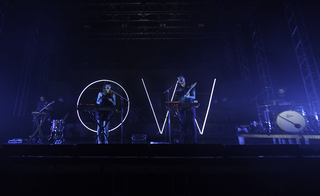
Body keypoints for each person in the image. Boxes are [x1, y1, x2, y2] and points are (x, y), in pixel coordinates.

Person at [173, 74, 197, 144]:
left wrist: (189, 96)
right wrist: (175, 108)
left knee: (192, 123)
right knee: (183, 125)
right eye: (178, 79)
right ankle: (181, 141)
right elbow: (176, 99)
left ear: (184, 78)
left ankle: (194, 141)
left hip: (190, 107)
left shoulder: (190, 86)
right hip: (181, 108)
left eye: (181, 78)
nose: (180, 80)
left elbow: (194, 97)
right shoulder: (178, 89)